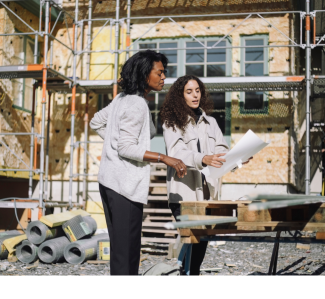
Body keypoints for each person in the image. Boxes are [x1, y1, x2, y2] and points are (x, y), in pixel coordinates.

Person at [90, 50, 187, 275]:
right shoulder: (136, 104)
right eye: (160, 73)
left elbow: (97, 122)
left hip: (109, 182)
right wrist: (164, 158)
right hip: (124, 186)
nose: (164, 78)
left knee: (121, 252)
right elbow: (126, 147)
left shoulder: (123, 99)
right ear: (145, 74)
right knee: (128, 254)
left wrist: (113, 144)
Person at [160, 75, 252, 275]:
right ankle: (182, 274)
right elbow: (176, 153)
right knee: (191, 238)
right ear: (180, 95)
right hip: (184, 195)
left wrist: (237, 159)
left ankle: (191, 276)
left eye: (197, 90)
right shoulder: (171, 122)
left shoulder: (211, 123)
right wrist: (204, 158)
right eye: (189, 91)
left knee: (201, 244)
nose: (195, 95)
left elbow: (220, 154)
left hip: (208, 196)